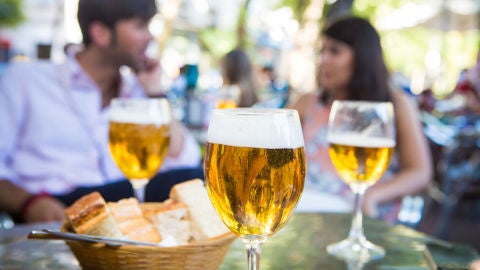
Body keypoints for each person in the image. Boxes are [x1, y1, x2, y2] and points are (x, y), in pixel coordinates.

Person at [0, 0, 202, 223]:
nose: (150, 37)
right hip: (57, 203)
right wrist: (28, 202)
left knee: (198, 180)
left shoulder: (139, 88)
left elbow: (186, 159)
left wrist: (155, 92)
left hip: (121, 204)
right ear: (101, 33)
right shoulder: (26, 81)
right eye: (140, 26)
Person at [290, 16, 432, 222]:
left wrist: (373, 195)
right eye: (323, 51)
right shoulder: (307, 101)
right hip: (305, 210)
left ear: (363, 57)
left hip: (364, 216)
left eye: (335, 51)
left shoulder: (396, 105)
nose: (324, 60)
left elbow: (420, 172)